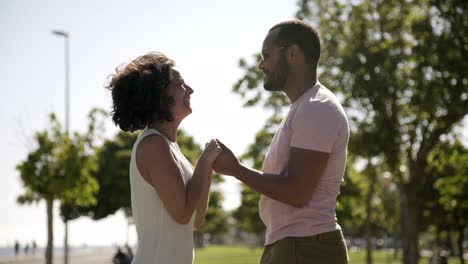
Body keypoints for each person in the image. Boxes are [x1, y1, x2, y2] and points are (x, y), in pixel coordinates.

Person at [213, 20, 349, 264]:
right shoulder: (303, 108)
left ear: (293, 54)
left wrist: (236, 169)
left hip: (306, 246)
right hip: (292, 243)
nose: (261, 65)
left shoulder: (317, 108)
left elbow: (297, 192)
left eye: (266, 55)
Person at [106, 51, 221, 264]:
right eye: (181, 84)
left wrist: (207, 167)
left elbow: (196, 219)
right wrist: (204, 162)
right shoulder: (153, 145)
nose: (190, 90)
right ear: (158, 94)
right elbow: (183, 213)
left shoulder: (168, 146)